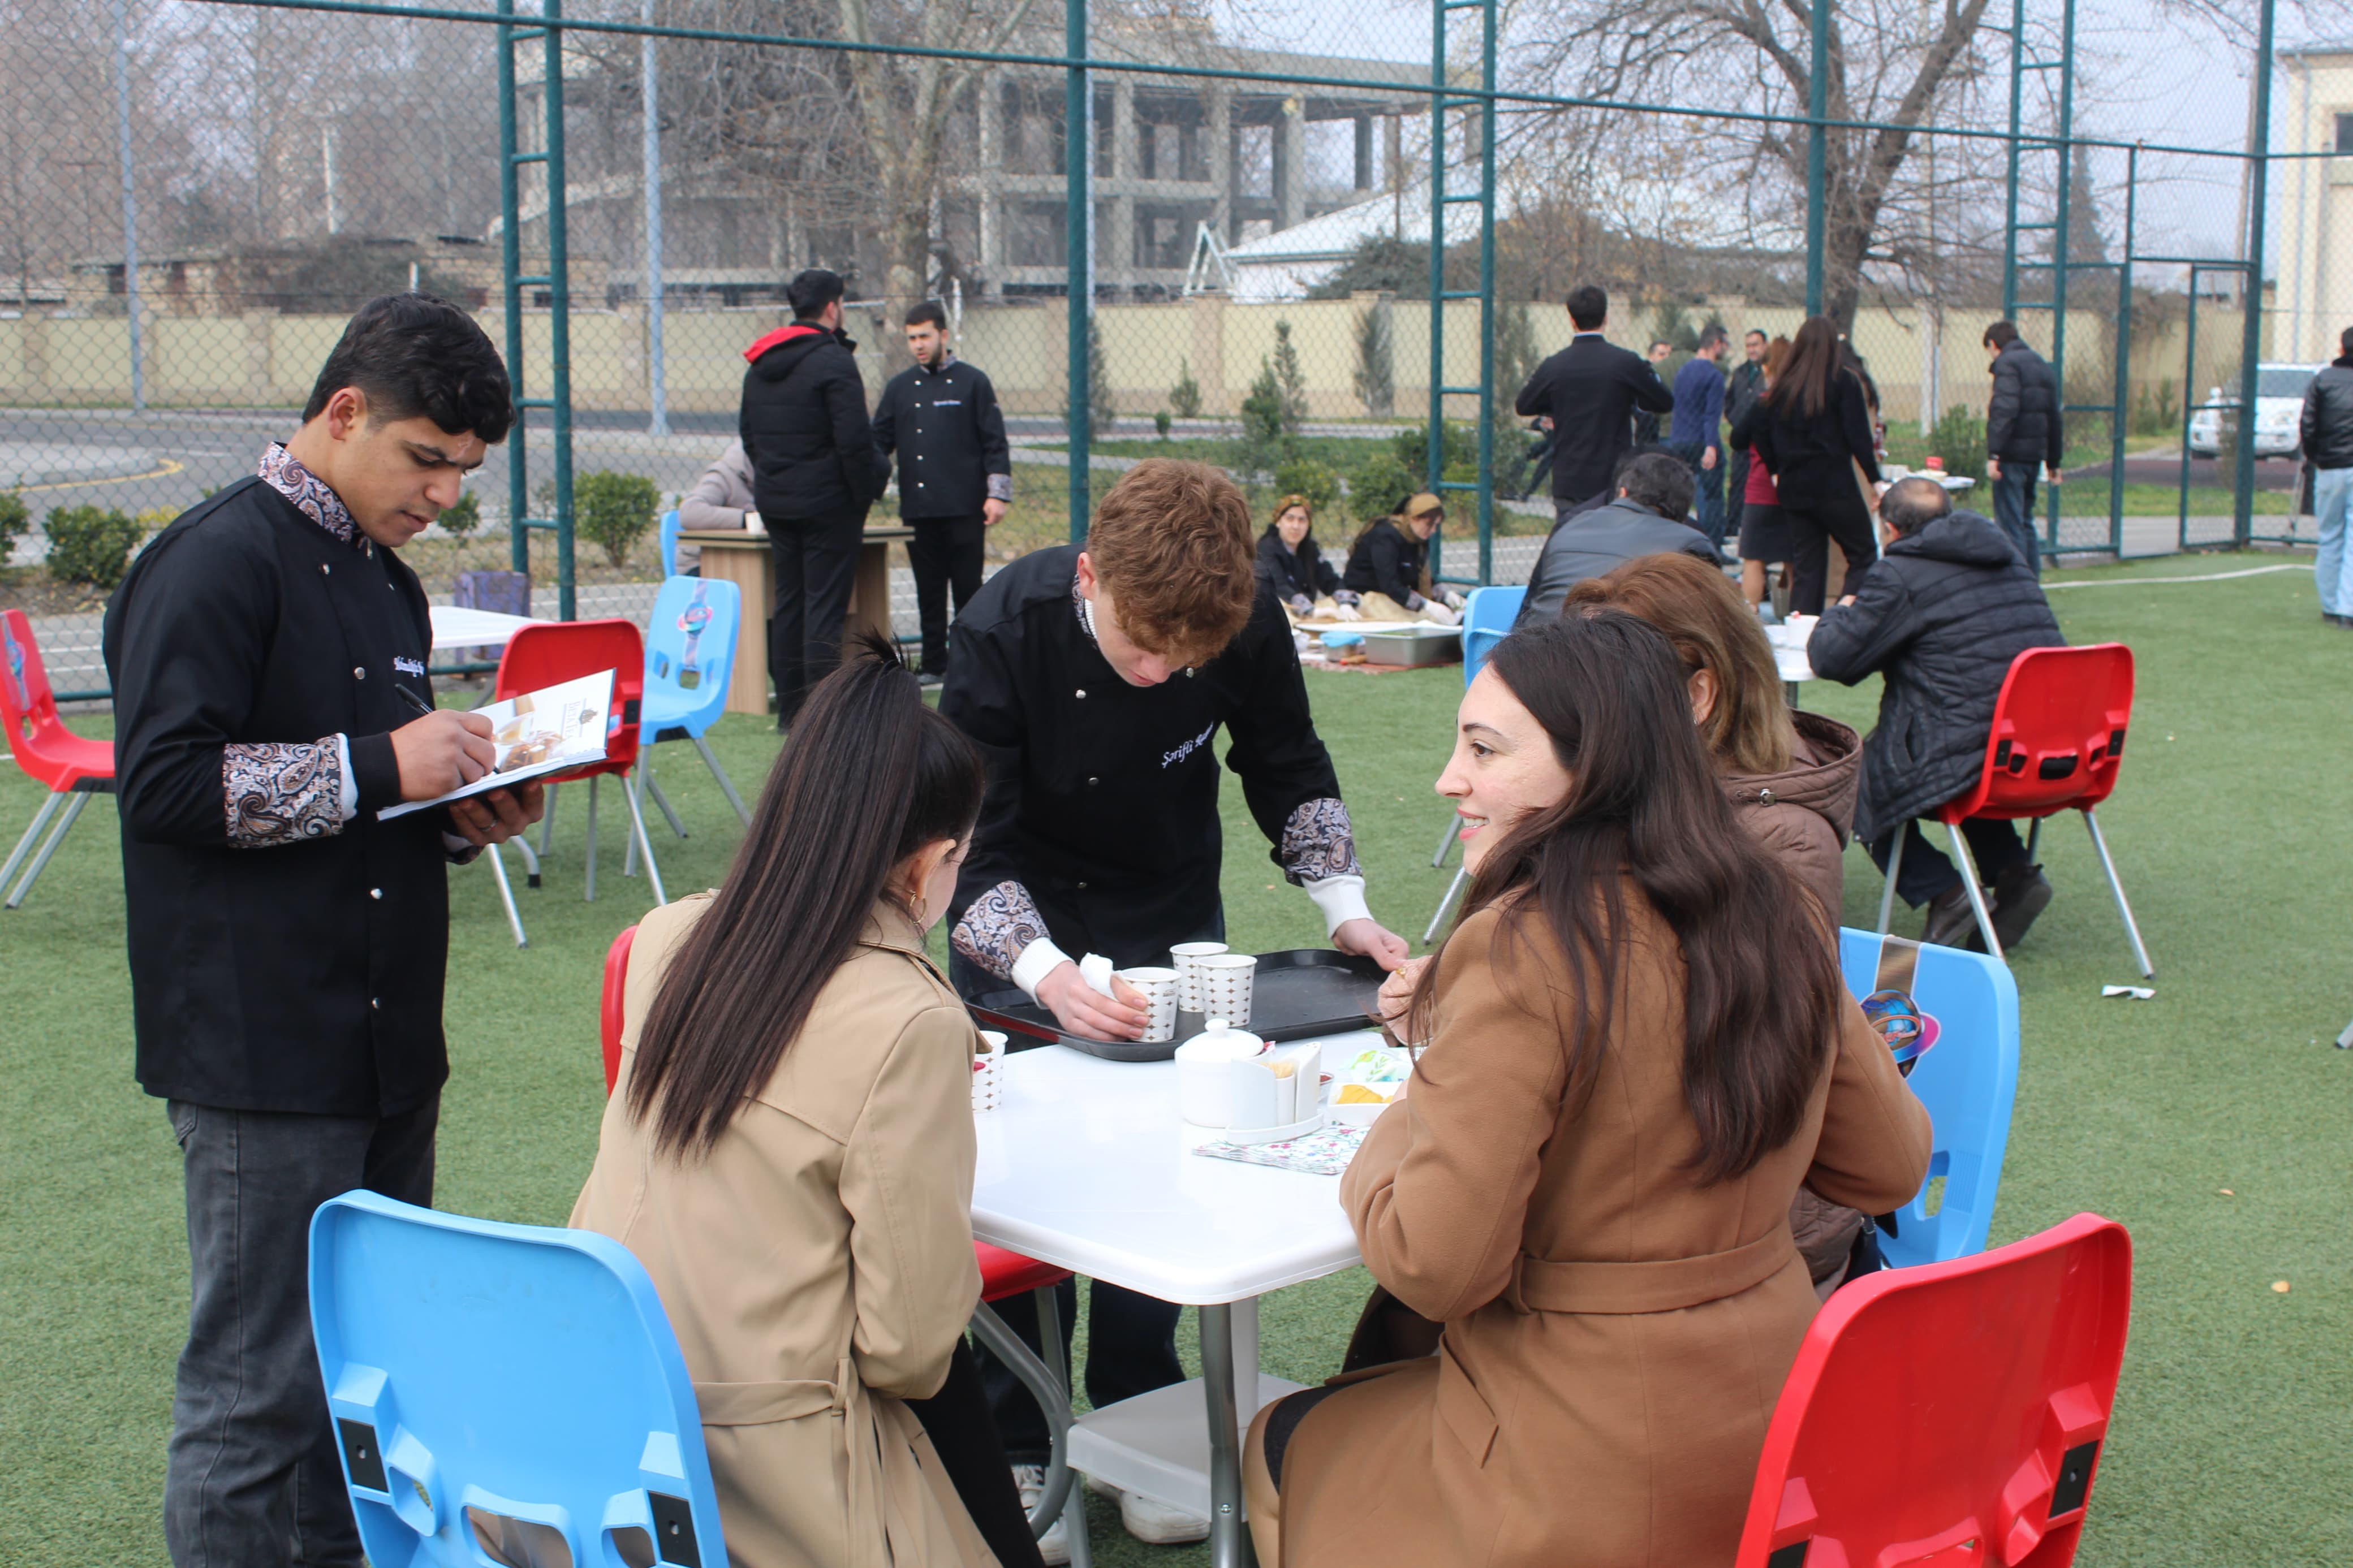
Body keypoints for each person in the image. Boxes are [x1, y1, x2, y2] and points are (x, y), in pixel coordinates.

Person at [1240, 611, 1932, 1568]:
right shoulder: (1776, 904)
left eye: (1483, 748)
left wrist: (1414, 1099)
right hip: (1777, 1432)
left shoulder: (1525, 943)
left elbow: (1435, 1264)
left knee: (1283, 1436)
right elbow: (1890, 1163)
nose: (1450, 777)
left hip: (1579, 1458)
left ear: (1593, 764)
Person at [104, 292, 544, 1568]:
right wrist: (376, 768)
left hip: (389, 1045)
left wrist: (464, 815)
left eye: (464, 474)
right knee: (254, 1399)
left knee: (362, 1380)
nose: (444, 495)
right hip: (259, 1052)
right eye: (425, 460)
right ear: (342, 413)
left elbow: (377, 800)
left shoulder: (387, 584)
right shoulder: (213, 559)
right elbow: (168, 788)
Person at [939, 458, 1411, 1549]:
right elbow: (970, 838)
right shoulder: (1002, 628)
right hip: (1025, 919)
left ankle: (1145, 1412)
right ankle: (1020, 1444)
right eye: (1142, 643)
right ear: (1090, 576)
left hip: (1166, 906)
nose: (1160, 672)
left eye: (1185, 658)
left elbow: (1288, 763)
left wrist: (1347, 908)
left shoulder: (1236, 617)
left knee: (1165, 1167)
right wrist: (1046, 968)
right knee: (1026, 1176)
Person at [572, 639, 1040, 1568]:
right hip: (767, 1477)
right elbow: (910, 1347)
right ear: (931, 863)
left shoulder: (669, 936)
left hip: (597, 1434)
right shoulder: (909, 1018)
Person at [1561, 553, 1873, 1297]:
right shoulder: (1643, 792)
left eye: (1608, 690)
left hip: (1744, 1226)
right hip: (1661, 1177)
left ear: (1698, 693)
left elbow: (1720, 1072)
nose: (1576, 715)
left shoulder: (1781, 844)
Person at [1808, 476, 2066, 950]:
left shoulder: (1902, 573)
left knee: (1855, 780)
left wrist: (1840, 611)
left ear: (1890, 530)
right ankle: (2013, 874)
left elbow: (1833, 660)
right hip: (2043, 750)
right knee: (1963, 746)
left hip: (1971, 749)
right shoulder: (2008, 557)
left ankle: (1945, 892)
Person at [740, 267, 888, 729]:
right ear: (833, 307)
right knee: (824, 607)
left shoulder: (762, 361)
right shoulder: (834, 360)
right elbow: (854, 442)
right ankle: (821, 719)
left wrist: (775, 478)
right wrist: (864, 494)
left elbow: (749, 436)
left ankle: (790, 711)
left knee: (790, 603)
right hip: (828, 504)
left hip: (777, 500)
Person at [872, 300, 1013, 680]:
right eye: (912, 338)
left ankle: (971, 665)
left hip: (966, 506)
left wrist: (997, 493)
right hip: (918, 508)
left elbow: (994, 442)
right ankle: (934, 663)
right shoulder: (899, 388)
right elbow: (877, 442)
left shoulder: (973, 382)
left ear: (944, 335)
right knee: (928, 591)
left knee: (968, 589)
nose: (918, 344)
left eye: (925, 336)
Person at [1752, 315, 1884, 614]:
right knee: (1863, 555)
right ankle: (1842, 616)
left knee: (1808, 567)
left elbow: (1757, 428)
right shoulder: (1844, 381)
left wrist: (1774, 468)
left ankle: (1803, 630)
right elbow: (1858, 437)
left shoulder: (1781, 389)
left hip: (1794, 490)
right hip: (1835, 488)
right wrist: (1876, 480)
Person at [1514, 286, 1676, 520]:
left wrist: (1557, 405)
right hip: (1612, 477)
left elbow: (1524, 405)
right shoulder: (1625, 363)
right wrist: (1632, 397)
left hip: (1569, 477)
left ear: (1572, 320)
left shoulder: (1555, 365)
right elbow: (1663, 401)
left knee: (1572, 545)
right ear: (1606, 318)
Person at [1513, 450, 1717, 627]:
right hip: (1615, 662)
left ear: (1623, 492)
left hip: (1528, 655)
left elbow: (1532, 604)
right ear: (1683, 513)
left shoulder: (1571, 524)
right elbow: (1712, 626)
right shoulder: (1692, 543)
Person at [1983, 319, 2063, 576]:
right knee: (2026, 521)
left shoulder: (2007, 365)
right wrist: (2054, 461)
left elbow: (2004, 410)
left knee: (2010, 523)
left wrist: (1995, 453)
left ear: (1994, 345)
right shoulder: (2041, 365)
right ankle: (2031, 581)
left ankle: (2016, 582)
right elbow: (2053, 416)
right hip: (2034, 457)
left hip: (2012, 455)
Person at [1728, 335, 1794, 614]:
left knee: (1754, 558)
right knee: (1794, 560)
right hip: (1793, 491)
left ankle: (1751, 616)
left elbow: (1737, 439)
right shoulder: (1800, 404)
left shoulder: (1763, 403)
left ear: (1767, 369)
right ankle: (1794, 614)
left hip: (1761, 490)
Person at [2298, 325, 2353, 624]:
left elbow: (2308, 424)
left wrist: (2315, 457)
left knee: (2330, 536)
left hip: (2329, 469)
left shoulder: (2323, 380)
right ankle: (2348, 609)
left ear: (2342, 348)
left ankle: (2330, 607)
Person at [1343, 493, 1460, 624]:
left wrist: (1443, 594)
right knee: (1424, 620)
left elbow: (1416, 576)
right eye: (1429, 524)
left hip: (1390, 597)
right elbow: (1389, 584)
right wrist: (1426, 605)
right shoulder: (1385, 537)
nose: (1433, 530)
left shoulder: (1417, 539)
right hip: (1365, 596)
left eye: (1437, 525)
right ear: (1413, 518)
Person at [1669, 324, 1730, 545]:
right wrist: (1711, 446)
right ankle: (1713, 544)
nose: (1726, 349)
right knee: (1712, 496)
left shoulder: (1683, 372)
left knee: (1680, 493)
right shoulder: (1714, 376)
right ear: (1716, 344)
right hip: (1701, 440)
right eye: (1725, 344)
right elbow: (1711, 415)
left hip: (1679, 439)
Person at [1256, 494, 1360, 618]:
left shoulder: (1310, 549)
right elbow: (1279, 586)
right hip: (1278, 613)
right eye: (1290, 519)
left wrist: (1345, 602)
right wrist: (1312, 611)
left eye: (1302, 520)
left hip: (1307, 607)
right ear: (1278, 521)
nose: (1296, 526)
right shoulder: (1266, 548)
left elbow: (1329, 579)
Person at [675, 437, 759, 574]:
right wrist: (747, 519)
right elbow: (689, 512)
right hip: (701, 565)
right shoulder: (723, 474)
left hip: (749, 561)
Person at [1723, 329, 1769, 521]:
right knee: (1738, 481)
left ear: (1765, 346)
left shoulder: (1769, 372)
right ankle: (1733, 524)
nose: (1752, 350)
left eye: (1756, 345)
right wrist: (1737, 421)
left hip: (1763, 437)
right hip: (1742, 436)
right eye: (1749, 346)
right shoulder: (1740, 372)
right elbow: (1730, 402)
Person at [1632, 339, 1675, 448]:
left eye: (1669, 355)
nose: (1666, 358)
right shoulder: (1646, 374)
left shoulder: (1672, 374)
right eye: (1662, 354)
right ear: (1651, 356)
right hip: (1648, 431)